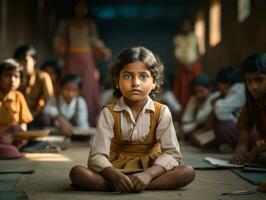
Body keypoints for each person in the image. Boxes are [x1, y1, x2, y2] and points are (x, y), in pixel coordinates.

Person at [69, 46, 195, 193]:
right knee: (77, 173)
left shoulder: (162, 111)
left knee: (187, 172)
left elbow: (172, 153)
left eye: (143, 76)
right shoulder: (109, 112)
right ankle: (127, 183)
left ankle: (123, 185)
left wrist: (148, 174)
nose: (135, 83)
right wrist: (114, 175)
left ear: (154, 81)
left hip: (151, 169)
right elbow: (96, 155)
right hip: (116, 169)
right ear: (116, 81)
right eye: (127, 76)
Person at [53, 0, 111, 126]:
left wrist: (102, 49)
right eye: (78, 6)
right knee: (70, 86)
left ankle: (88, 124)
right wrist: (60, 46)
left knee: (88, 90)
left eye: (84, 6)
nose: (81, 9)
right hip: (71, 58)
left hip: (87, 61)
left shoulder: (89, 24)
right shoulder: (66, 23)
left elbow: (94, 40)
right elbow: (59, 39)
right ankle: (66, 122)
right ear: (74, 7)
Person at [231, 53, 266, 165]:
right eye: (249, 81)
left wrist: (255, 152)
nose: (253, 86)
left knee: (262, 157)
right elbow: (243, 141)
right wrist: (238, 154)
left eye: (259, 79)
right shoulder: (251, 103)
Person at [14, 45, 54, 128]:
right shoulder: (14, 78)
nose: (22, 65)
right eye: (19, 62)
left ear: (34, 61)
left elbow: (49, 101)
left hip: (36, 115)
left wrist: (34, 113)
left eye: (25, 61)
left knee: (45, 118)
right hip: (18, 114)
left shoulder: (43, 77)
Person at [0, 59, 33, 158]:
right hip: (2, 139)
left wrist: (20, 137)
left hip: (13, 139)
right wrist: (3, 138)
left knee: (16, 128)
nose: (12, 80)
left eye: (16, 76)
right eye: (7, 75)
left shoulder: (19, 96)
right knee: (11, 151)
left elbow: (23, 124)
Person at [172, 19, 202, 109]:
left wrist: (192, 64)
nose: (186, 27)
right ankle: (183, 109)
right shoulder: (177, 39)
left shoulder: (195, 37)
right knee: (183, 88)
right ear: (181, 27)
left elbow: (199, 52)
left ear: (191, 26)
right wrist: (184, 65)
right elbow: (174, 54)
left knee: (196, 85)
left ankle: (196, 107)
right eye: (184, 25)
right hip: (181, 66)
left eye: (187, 25)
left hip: (194, 66)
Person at [181, 74, 220, 139]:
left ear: (210, 88)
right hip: (194, 126)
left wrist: (185, 129)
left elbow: (201, 119)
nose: (198, 95)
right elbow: (186, 119)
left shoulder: (214, 97)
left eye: (201, 91)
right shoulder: (194, 98)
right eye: (196, 92)